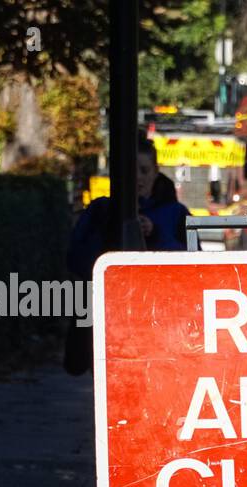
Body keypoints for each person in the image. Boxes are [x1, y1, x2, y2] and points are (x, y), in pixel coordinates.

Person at [65, 134, 192, 375]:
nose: (138, 178)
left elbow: (190, 267)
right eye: (131, 170)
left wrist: (154, 234)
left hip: (157, 320)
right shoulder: (99, 211)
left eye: (144, 170)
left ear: (155, 172)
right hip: (107, 322)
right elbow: (77, 261)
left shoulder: (176, 213)